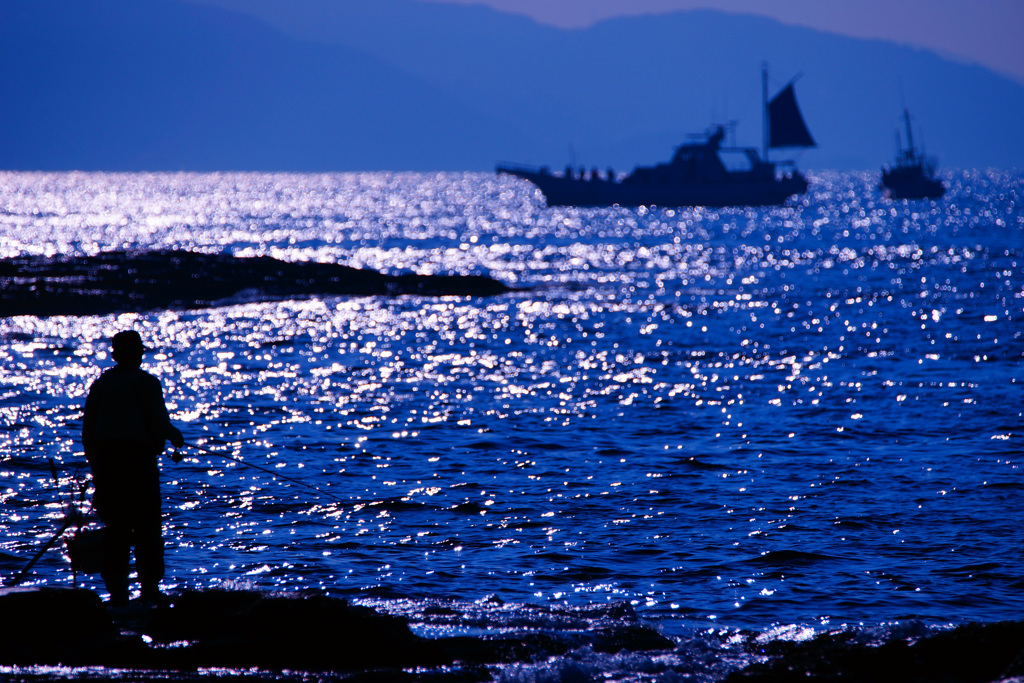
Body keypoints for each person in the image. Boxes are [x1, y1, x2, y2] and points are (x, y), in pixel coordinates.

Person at [81, 330, 185, 605]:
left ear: (115, 354)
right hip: (139, 465)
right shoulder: (147, 383)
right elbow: (160, 424)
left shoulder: (101, 384)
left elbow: (88, 431)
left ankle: (117, 594)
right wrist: (176, 437)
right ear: (138, 353)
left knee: (116, 530)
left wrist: (97, 468)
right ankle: (149, 591)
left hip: (107, 466)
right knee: (147, 529)